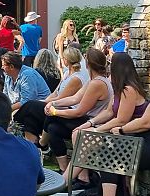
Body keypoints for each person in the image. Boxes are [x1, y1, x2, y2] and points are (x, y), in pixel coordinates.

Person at [74, 52, 148, 196]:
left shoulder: (129, 90)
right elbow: (109, 112)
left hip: (130, 134)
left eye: (111, 64)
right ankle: (78, 178)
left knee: (89, 139)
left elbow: (121, 120)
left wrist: (96, 130)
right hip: (119, 131)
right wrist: (90, 123)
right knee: (80, 133)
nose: (108, 67)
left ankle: (71, 179)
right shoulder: (119, 88)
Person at [43, 48, 112, 178]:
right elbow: (75, 98)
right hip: (86, 120)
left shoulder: (97, 83)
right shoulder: (93, 80)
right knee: (53, 128)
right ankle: (64, 170)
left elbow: (79, 112)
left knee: (51, 117)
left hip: (93, 122)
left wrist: (55, 112)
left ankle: (42, 144)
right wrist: (53, 103)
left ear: (88, 64)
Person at [15, 46, 87, 147]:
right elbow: (55, 92)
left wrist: (45, 102)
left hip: (65, 108)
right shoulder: (66, 73)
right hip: (56, 103)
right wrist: (45, 100)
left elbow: (62, 98)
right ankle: (33, 146)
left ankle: (15, 120)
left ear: (66, 60)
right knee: (29, 118)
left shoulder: (76, 78)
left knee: (30, 104)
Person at [0, 51, 51, 141]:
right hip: (20, 109)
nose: (2, 67)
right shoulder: (8, 75)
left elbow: (26, 101)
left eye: (3, 65)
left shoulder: (27, 75)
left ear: (11, 67)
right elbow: (5, 95)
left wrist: (7, 110)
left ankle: (31, 144)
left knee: (24, 119)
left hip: (40, 109)